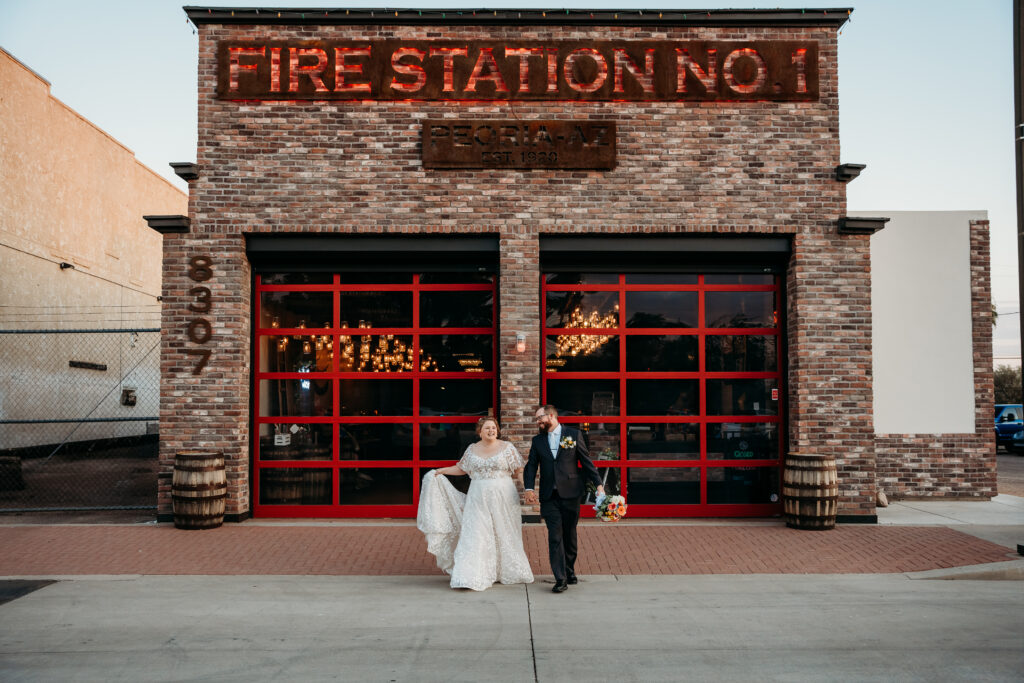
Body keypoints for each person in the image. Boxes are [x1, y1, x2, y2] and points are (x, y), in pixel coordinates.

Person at [416, 416, 534, 591]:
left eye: (494, 428)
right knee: (476, 533)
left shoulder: (507, 448)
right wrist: (442, 471)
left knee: (504, 531)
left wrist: (528, 488)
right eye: (487, 428)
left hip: (504, 497)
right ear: (480, 431)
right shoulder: (472, 449)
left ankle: (506, 571)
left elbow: (518, 471)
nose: (491, 431)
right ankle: (472, 574)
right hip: (477, 498)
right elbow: (462, 469)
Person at [523, 405, 604, 593]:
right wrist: (528, 488)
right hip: (548, 496)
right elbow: (531, 466)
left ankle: (569, 570)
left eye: (539, 418)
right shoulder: (537, 441)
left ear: (551, 416)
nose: (538, 422)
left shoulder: (573, 435)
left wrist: (599, 485)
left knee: (570, 534)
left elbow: (586, 462)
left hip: (571, 493)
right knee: (554, 536)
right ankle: (560, 578)